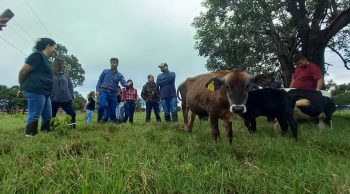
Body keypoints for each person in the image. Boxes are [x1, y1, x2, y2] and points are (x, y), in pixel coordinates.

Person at [18, 38, 57, 137]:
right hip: (35, 89)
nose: (55, 50)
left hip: (45, 92)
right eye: (54, 48)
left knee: (48, 115)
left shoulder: (46, 60)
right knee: (35, 114)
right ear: (48, 46)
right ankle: (30, 136)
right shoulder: (37, 56)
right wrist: (22, 86)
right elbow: (22, 71)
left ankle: (45, 134)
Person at [96, 58, 127, 123]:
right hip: (104, 91)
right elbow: (100, 81)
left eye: (114, 63)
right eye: (111, 62)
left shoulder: (119, 75)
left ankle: (106, 120)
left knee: (113, 111)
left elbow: (124, 84)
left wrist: (128, 84)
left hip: (113, 94)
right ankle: (99, 116)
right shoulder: (105, 71)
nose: (112, 64)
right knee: (104, 105)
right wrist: (97, 90)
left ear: (117, 64)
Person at [51, 58, 76, 128]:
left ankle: (72, 127)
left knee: (72, 113)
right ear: (58, 65)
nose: (65, 66)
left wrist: (71, 96)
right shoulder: (51, 75)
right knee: (51, 115)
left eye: (65, 65)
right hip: (54, 100)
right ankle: (50, 128)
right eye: (63, 65)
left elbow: (70, 87)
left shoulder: (66, 76)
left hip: (66, 100)